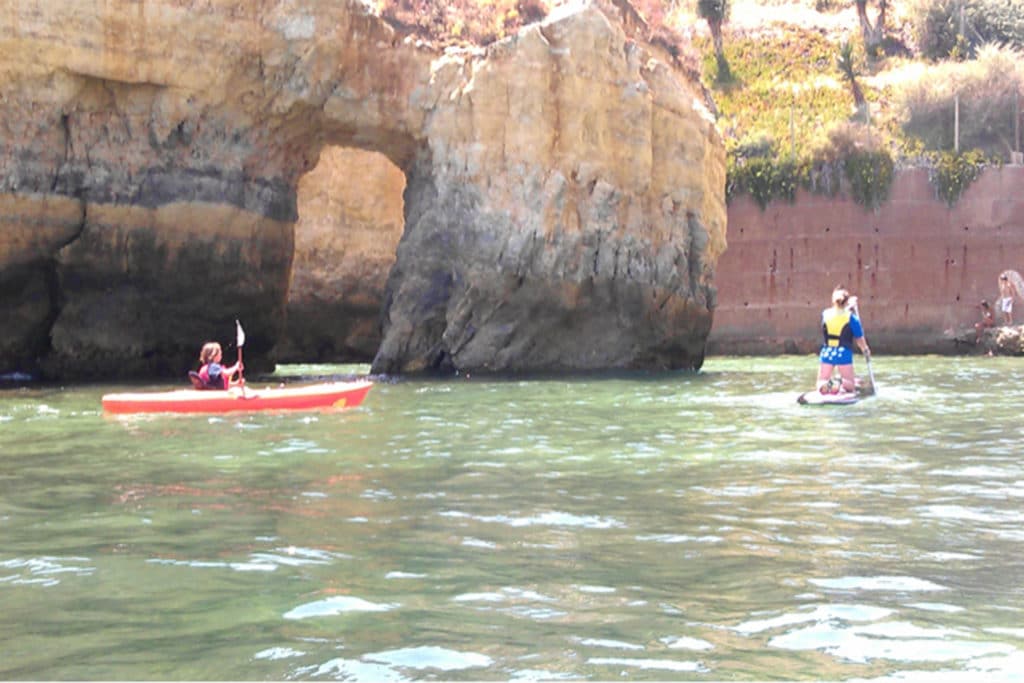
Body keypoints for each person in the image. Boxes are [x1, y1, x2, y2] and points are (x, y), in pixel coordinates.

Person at [817, 285, 870, 395]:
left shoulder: (825, 314)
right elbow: (860, 339)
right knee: (850, 385)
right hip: (843, 353)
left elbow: (838, 315)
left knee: (821, 382)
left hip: (827, 352)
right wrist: (866, 350)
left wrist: (847, 307)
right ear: (846, 301)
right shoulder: (852, 318)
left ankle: (828, 384)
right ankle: (840, 382)